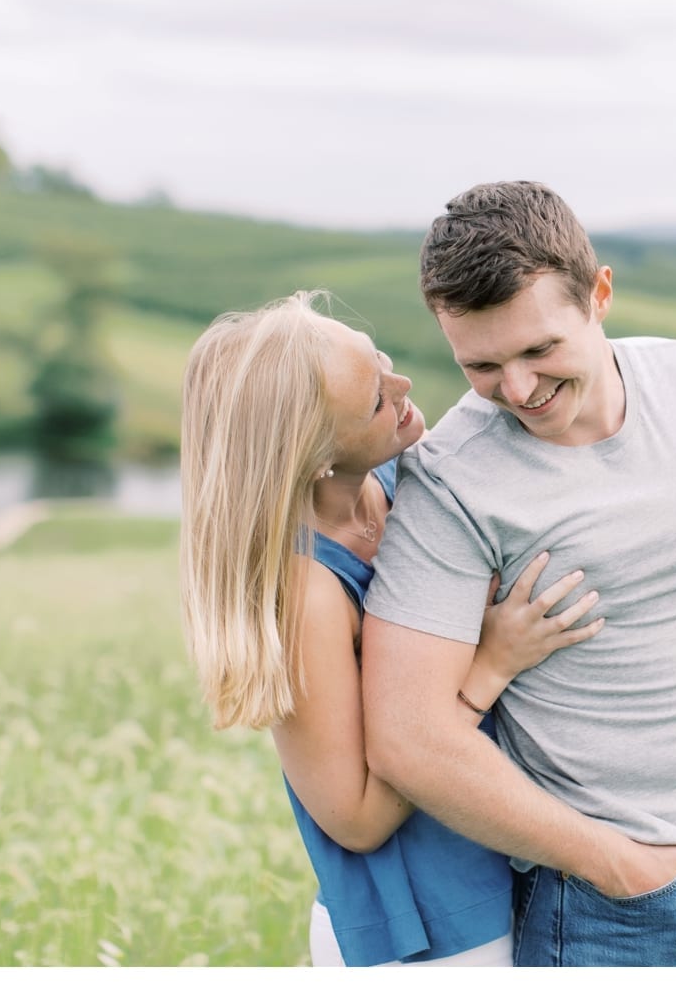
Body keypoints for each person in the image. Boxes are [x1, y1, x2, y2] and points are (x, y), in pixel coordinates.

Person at [361, 182, 676, 967]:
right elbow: (408, 737)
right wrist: (611, 863)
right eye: (483, 366)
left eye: (540, 351)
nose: (520, 391)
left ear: (599, 294)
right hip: (613, 911)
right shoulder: (451, 483)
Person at [177, 291, 613, 966]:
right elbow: (353, 818)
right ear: (317, 455)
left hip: (508, 880)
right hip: (433, 933)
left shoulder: (399, 479)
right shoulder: (305, 592)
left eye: (381, 363)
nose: (403, 386)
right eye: (376, 398)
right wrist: (490, 664)